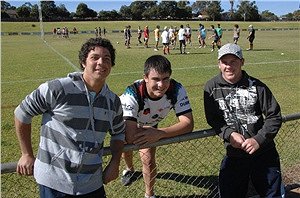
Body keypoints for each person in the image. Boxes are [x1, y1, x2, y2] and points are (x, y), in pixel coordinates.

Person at [14, 37, 126, 198]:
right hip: (54, 182)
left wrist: (115, 162)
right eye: (94, 57)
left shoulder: (113, 101)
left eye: (106, 59)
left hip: (92, 183)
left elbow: (119, 133)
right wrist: (26, 154)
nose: (101, 62)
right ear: (83, 62)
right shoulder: (57, 89)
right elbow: (21, 113)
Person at [203, 43, 284, 198]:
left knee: (272, 194)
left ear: (242, 62)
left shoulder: (257, 86)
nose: (229, 66)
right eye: (224, 62)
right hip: (234, 154)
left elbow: (274, 116)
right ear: (219, 64)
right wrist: (229, 134)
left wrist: (258, 139)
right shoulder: (211, 87)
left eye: (233, 61)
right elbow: (213, 119)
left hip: (263, 153)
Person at [120, 55, 194, 198]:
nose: (161, 85)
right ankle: (129, 169)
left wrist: (159, 133)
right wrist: (152, 133)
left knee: (148, 160)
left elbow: (188, 124)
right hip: (128, 122)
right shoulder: (132, 93)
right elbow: (130, 135)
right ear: (145, 77)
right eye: (156, 79)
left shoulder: (176, 89)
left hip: (152, 124)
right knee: (125, 144)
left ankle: (149, 195)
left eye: (165, 78)